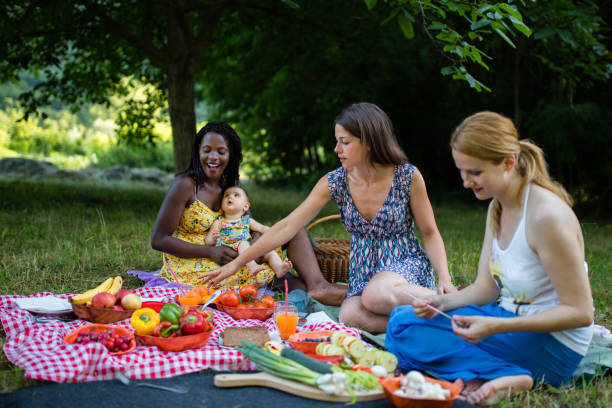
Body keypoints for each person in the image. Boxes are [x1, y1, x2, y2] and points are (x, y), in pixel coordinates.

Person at [385, 111, 594, 406]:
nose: (465, 182)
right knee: (401, 322)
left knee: (405, 336)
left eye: (475, 172)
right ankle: (488, 373)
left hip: (553, 345)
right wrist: (439, 303)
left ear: (508, 162)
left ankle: (508, 375)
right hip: (508, 321)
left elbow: (581, 312)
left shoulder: (547, 217)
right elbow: (486, 288)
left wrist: (494, 327)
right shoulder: (498, 205)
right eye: (461, 171)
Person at [201, 102, 455, 333]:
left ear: (369, 142)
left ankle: (452, 304)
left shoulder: (407, 177)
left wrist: (444, 277)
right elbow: (289, 225)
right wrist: (237, 262)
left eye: (345, 142)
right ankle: (436, 323)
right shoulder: (335, 182)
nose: (336, 149)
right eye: (337, 141)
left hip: (404, 264)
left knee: (376, 295)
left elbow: (430, 232)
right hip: (365, 271)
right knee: (350, 314)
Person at [150, 121, 345, 304]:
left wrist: (256, 238)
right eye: (206, 150)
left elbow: (246, 223)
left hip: (235, 250)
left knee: (294, 230)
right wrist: (210, 251)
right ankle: (286, 282)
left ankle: (318, 285)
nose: (213, 158)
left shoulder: (231, 183)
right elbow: (159, 240)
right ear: (197, 152)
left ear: (231, 155)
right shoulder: (185, 185)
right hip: (197, 258)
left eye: (221, 151)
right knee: (291, 284)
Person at [205, 185, 293, 277]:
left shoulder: (247, 221)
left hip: (248, 251)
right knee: (243, 243)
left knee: (269, 252)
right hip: (228, 252)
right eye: (226, 195)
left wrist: (276, 231)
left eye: (236, 195)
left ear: (246, 206)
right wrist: (214, 239)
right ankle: (253, 266)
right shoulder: (219, 222)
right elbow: (208, 241)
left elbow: (262, 228)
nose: (230, 197)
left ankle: (279, 268)